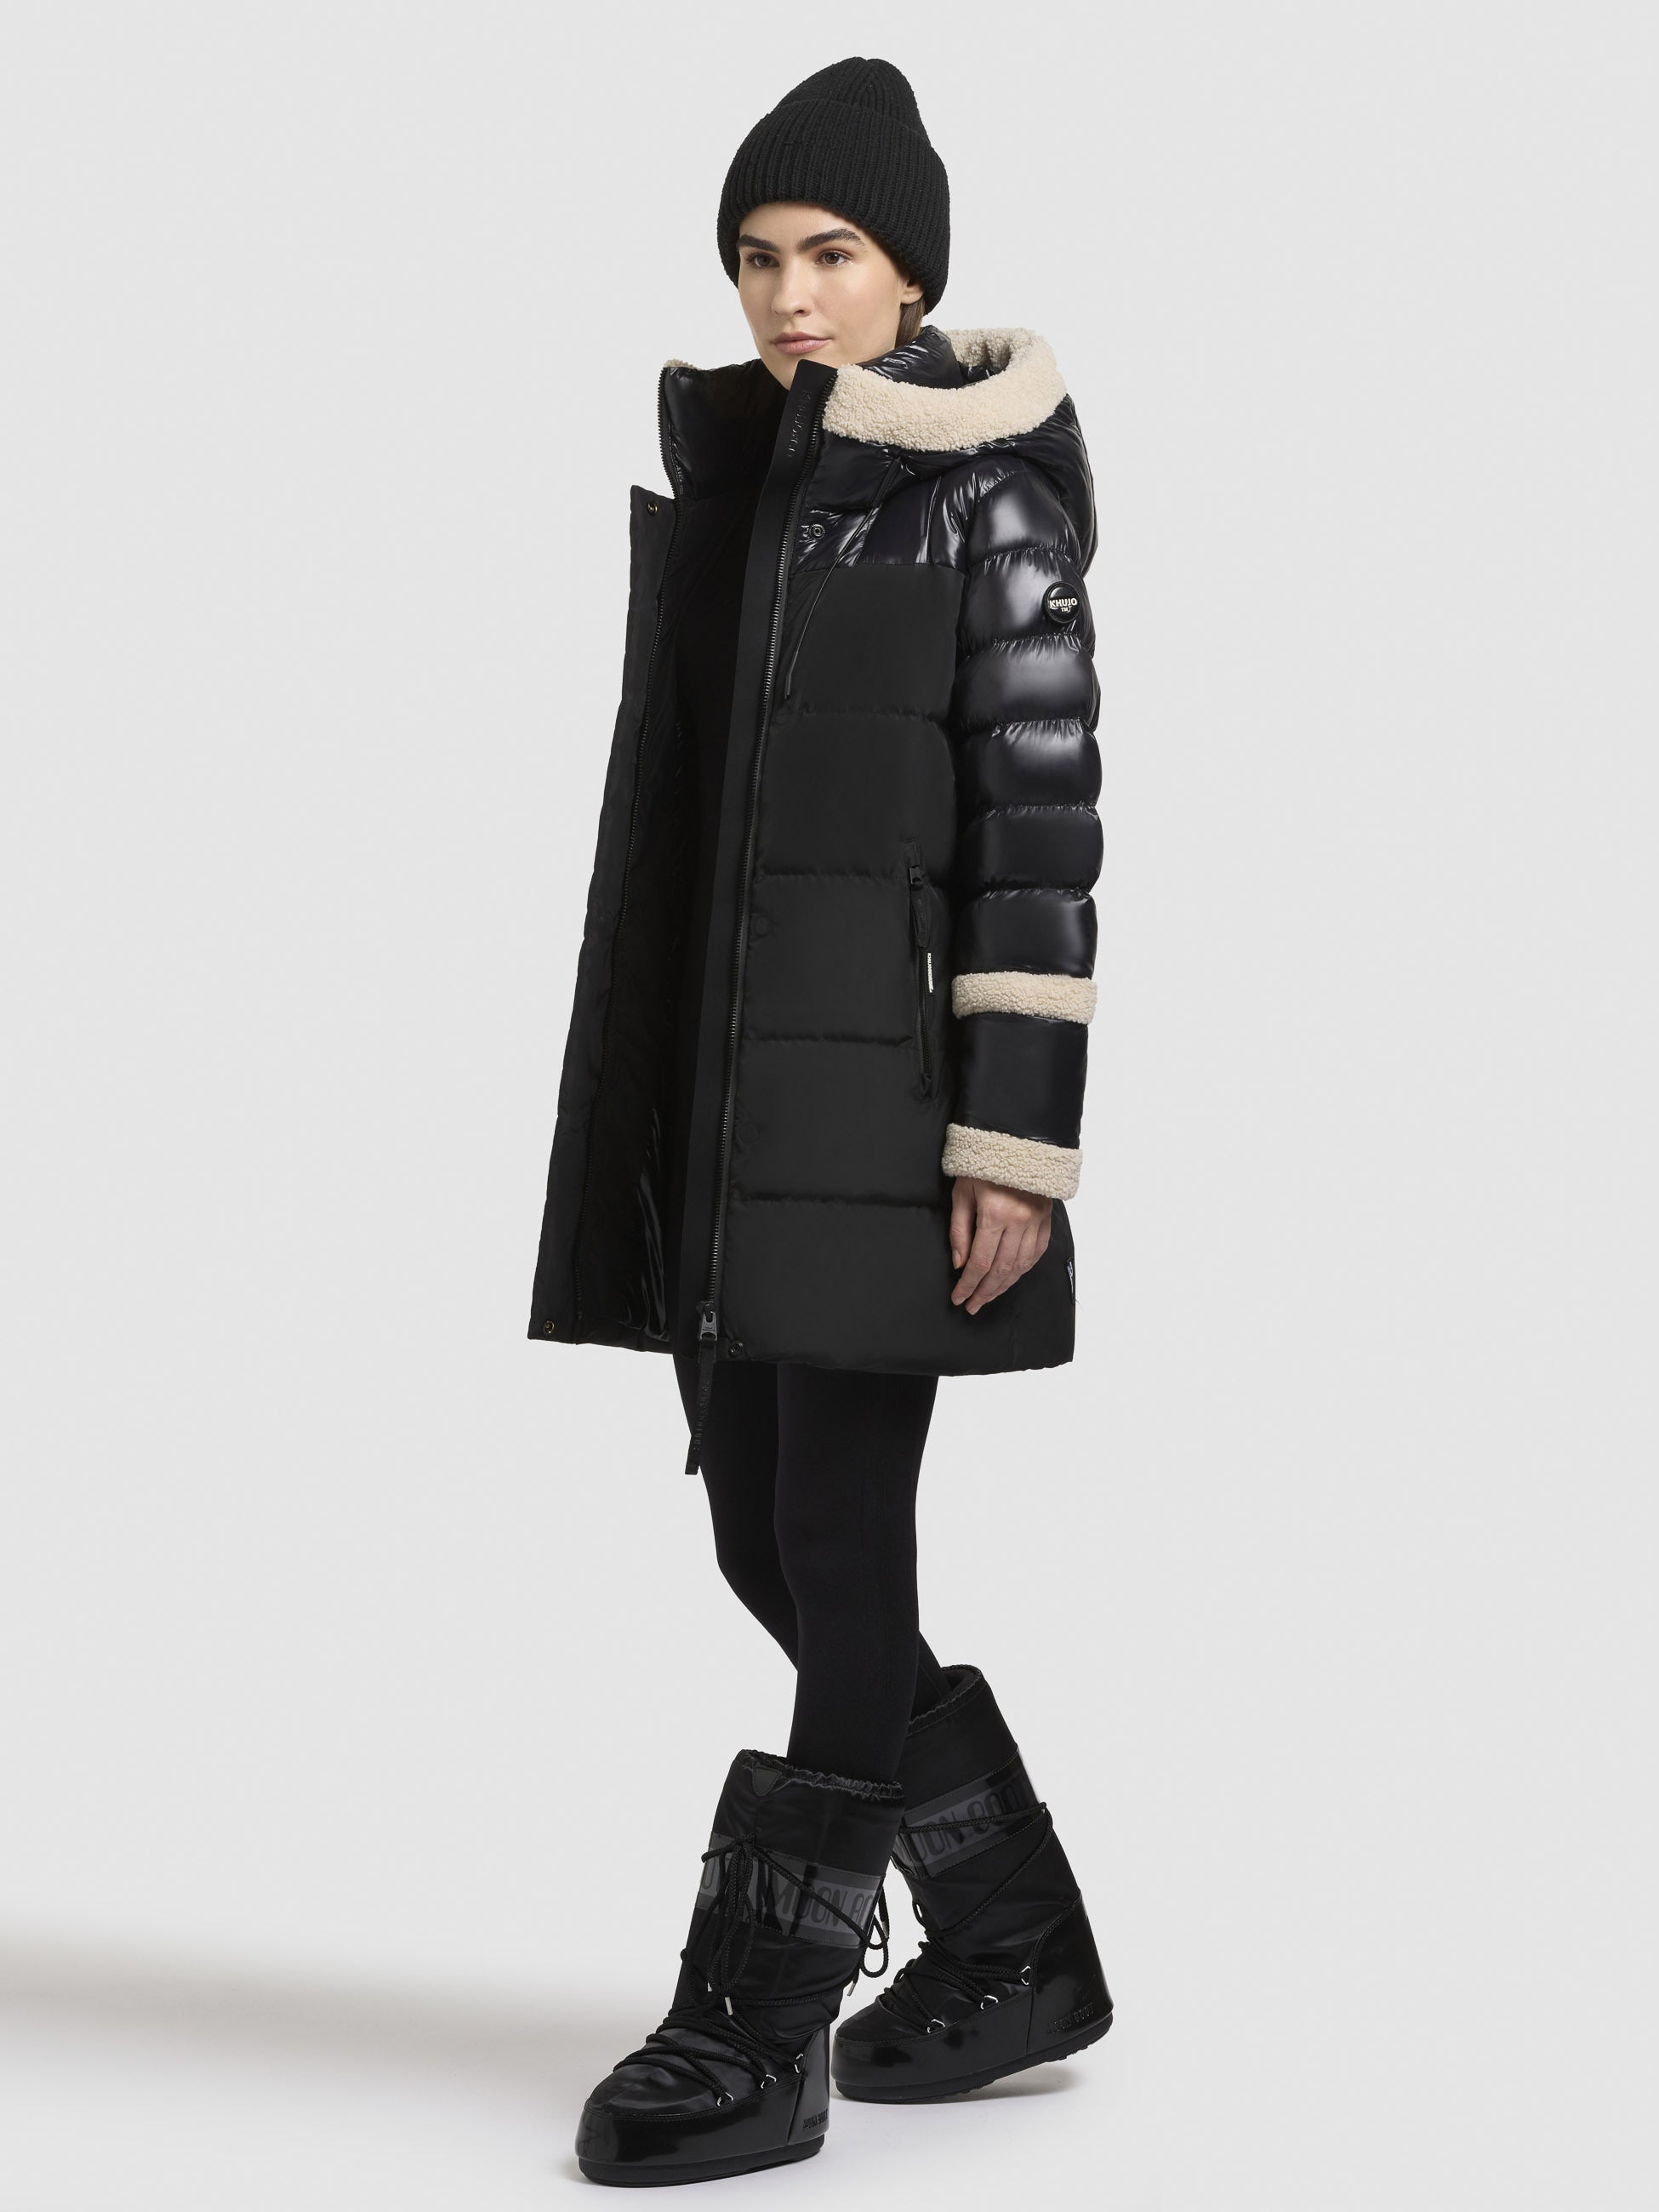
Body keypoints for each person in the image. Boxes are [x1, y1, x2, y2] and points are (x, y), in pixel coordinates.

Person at [527, 54, 1112, 2188]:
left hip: (892, 1126)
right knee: (760, 1543)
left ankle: (754, 2027)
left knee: (844, 1544)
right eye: (759, 257)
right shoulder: (757, 483)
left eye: (832, 254)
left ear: (910, 274)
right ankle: (1019, 1943)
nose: (790, 294)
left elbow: (1037, 839)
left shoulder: (990, 504)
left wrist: (1011, 1146)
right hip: (733, 1117)